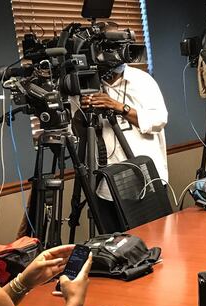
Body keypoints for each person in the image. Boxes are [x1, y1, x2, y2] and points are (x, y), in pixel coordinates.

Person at [76, 30, 169, 232]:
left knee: (157, 240)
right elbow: (77, 133)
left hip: (144, 179)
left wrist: (119, 106)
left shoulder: (142, 80)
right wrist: (81, 113)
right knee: (116, 245)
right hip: (105, 184)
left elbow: (159, 120)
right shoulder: (86, 86)